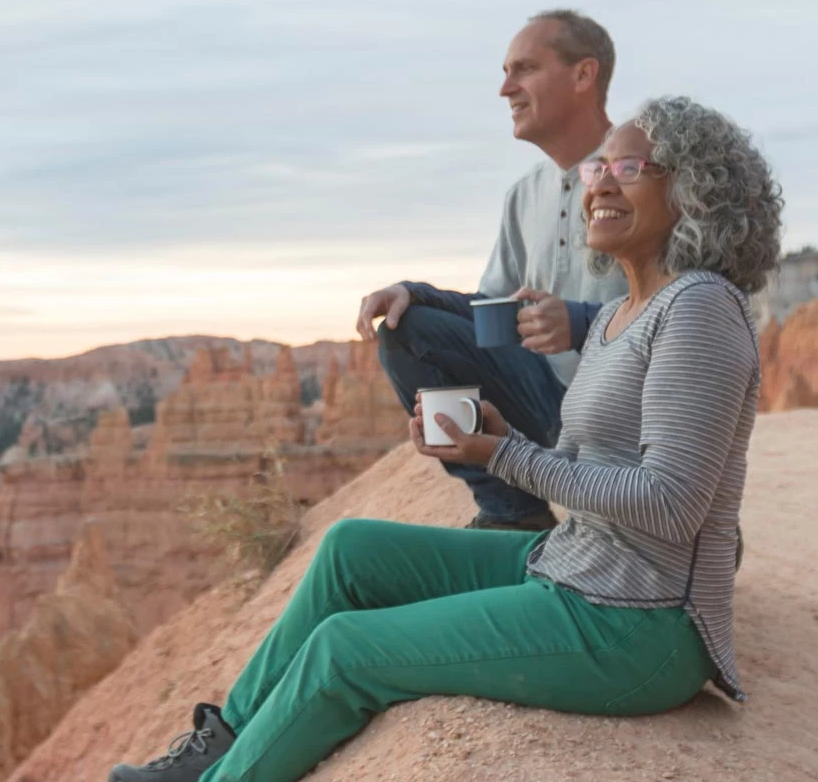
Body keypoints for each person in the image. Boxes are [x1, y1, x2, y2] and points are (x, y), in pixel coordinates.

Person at [108, 95, 782, 782]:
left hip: (641, 625)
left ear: (694, 189)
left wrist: (508, 456)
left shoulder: (699, 308)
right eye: (596, 169)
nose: (601, 184)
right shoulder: (620, 313)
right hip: (577, 562)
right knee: (351, 550)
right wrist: (500, 441)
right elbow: (592, 466)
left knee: (345, 649)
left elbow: (671, 503)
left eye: (629, 168)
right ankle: (219, 744)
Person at [357, 9, 628, 532]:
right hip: (546, 405)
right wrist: (413, 293)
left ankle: (662, 518)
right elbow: (493, 317)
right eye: (506, 73)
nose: (506, 89)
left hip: (626, 418)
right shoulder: (523, 195)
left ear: (583, 75)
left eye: (525, 69)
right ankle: (513, 514)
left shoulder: (643, 179)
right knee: (407, 330)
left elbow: (691, 315)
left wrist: (581, 321)